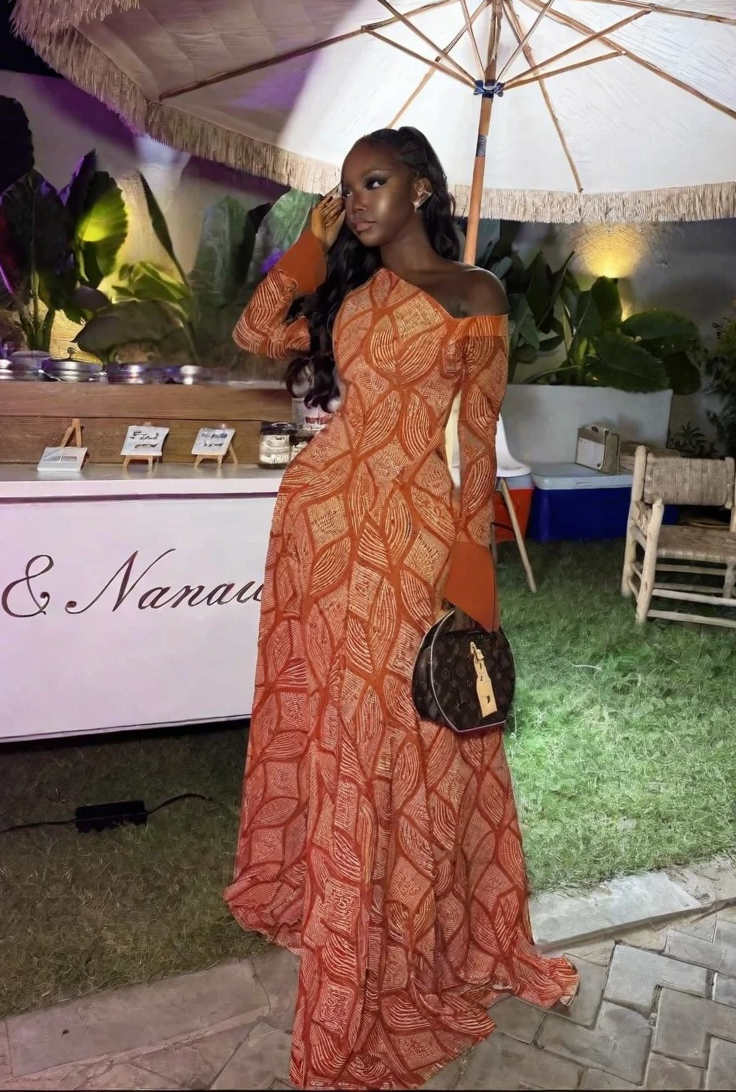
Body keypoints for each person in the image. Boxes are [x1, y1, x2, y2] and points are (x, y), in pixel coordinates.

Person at [225, 127, 578, 1090]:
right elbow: (256, 332)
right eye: (348, 189)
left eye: (374, 182)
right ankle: (340, 907)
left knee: (403, 734)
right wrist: (310, 247)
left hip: (410, 535)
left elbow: (477, 448)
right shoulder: (350, 294)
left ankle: (399, 932)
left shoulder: (475, 295)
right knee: (337, 725)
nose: (359, 202)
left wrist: (473, 593)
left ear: (421, 188)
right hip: (319, 531)